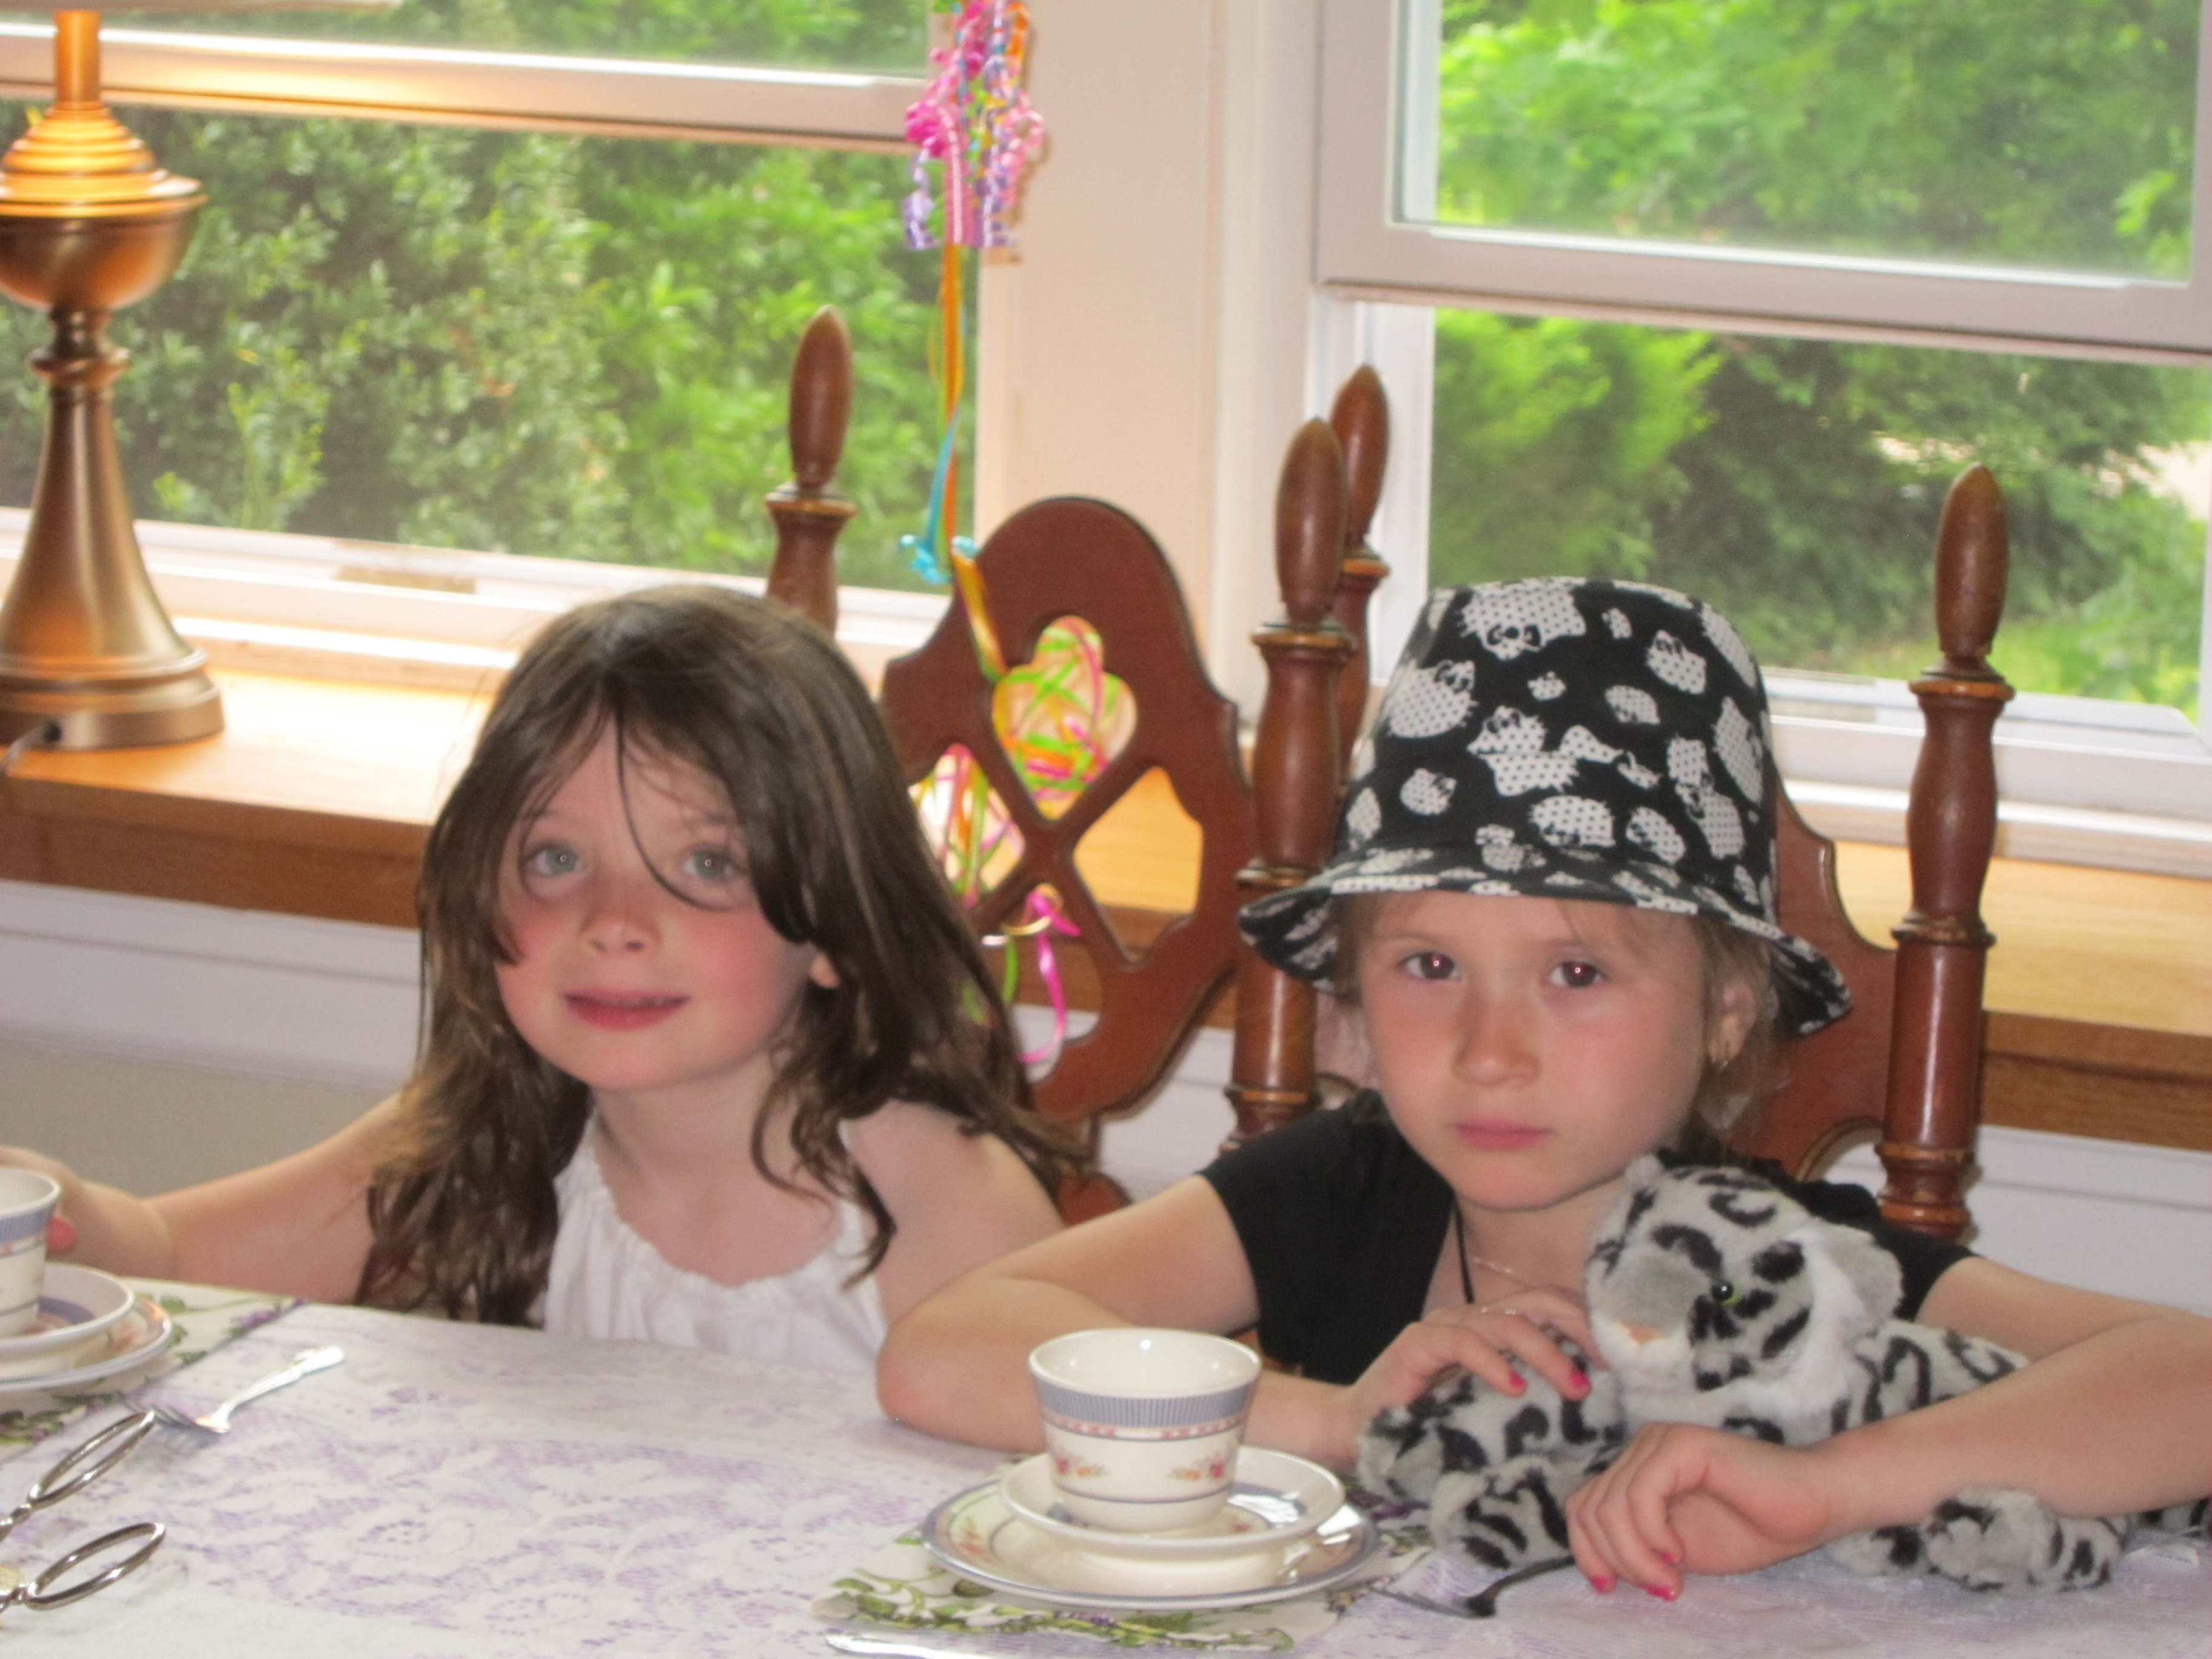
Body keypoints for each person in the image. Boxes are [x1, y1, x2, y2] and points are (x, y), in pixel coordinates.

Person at [877, 577, 2211, 1595]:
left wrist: (1830, 1486)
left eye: (1577, 973)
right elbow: (941, 1355)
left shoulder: (1782, 1269)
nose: (1490, 1050)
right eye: (1431, 966)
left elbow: (2193, 1377)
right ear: (1353, 1004)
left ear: (1725, 1011)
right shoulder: (1345, 1188)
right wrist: (1336, 1420)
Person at [7, 587, 1065, 1373]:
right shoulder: (482, 1146)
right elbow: (173, 1256)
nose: (614, 923)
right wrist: (62, 1219)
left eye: (706, 864)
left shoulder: (941, 1203)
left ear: (833, 920)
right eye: (556, 859)